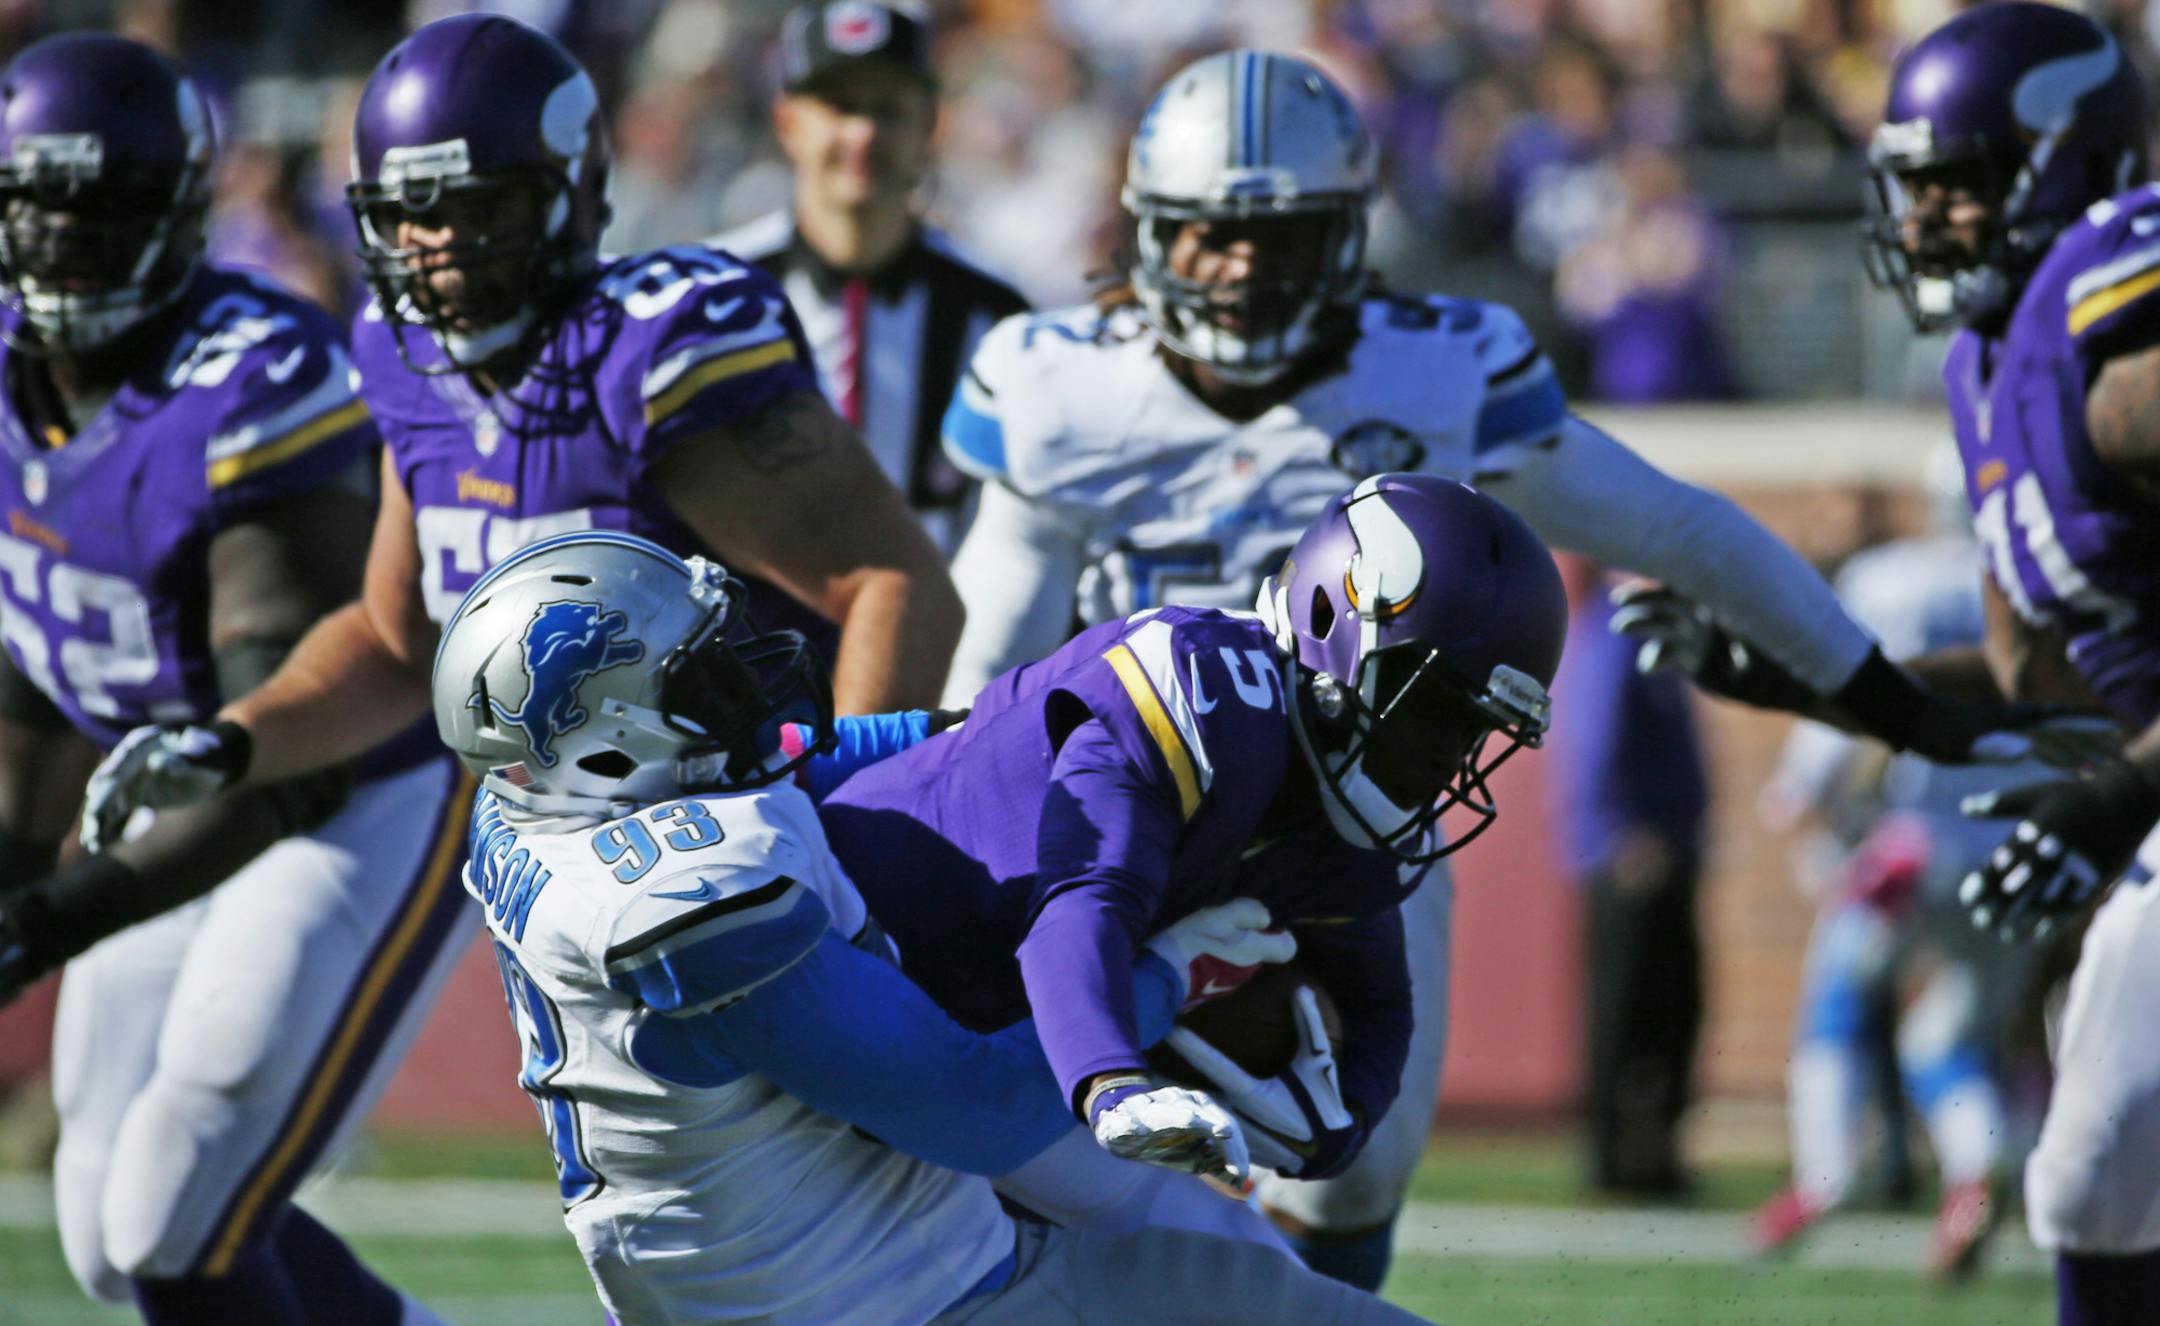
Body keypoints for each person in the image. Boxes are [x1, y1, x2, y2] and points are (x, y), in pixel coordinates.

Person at [934, 47, 2056, 1289]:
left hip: (1354, 815)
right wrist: (936, 833)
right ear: (1149, 233)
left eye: (1280, 234)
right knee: (1012, 1117)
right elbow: (986, 645)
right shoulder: (1062, 384)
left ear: (1348, 235)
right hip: (1138, 798)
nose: (1242, 268)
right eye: (1210, 234)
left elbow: (1678, 529)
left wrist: (1888, 699)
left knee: (1352, 1163)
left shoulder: (1434, 372)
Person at [430, 527, 1440, 1326]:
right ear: (610, 749)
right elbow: (977, 1110)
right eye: (703, 681)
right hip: (884, 1301)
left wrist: (1016, 728)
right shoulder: (692, 905)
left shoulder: (552, 793)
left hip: (881, 1252)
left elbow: (808, 756)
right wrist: (1171, 974)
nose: (746, 675)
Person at [75, 14, 965, 853]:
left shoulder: (648, 352)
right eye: (413, 213)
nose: (442, 244)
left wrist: (840, 827)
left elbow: (895, 584)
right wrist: (233, 741)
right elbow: (396, 644)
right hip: (553, 847)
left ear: (568, 194)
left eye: (482, 209)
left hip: (738, 825)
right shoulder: (405, 360)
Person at [1629, 7, 2160, 1319]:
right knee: (2092, 1179)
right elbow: (2037, 686)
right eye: (1911, 189)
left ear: (2063, 164)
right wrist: (1807, 674)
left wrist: (2124, 790)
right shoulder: (1993, 370)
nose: (1922, 223)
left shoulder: (2123, 346)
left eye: (1957, 187)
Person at [0, 33, 465, 1326]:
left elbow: (284, 755)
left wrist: (43, 921)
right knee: (111, 1236)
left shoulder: (250, 375)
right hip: (155, 798)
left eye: (106, 206)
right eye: (39, 202)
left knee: (176, 1214)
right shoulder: (14, 378)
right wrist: (15, 872)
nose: (66, 238)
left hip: (339, 800)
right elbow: (35, 666)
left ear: (183, 211)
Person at [822, 474, 1567, 1203]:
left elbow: (1381, 1003)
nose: (1446, 758)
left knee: (1237, 1269)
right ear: (1331, 621)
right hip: (852, 952)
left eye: (1472, 731)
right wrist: (1114, 1082)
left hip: (986, 1054)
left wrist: (1340, 1129)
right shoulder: (1202, 696)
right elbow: (1078, 910)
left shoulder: (1344, 824)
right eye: (1434, 711)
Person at [1747, 514, 2044, 1279]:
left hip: (1913, 851)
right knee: (1945, 1041)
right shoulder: (2042, 580)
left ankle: (1827, 1176)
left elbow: (1850, 702)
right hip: (2024, 855)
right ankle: (1975, 1170)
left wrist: (1802, 795)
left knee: (1836, 1010)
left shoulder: (1888, 579)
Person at [712, 1, 1028, 554]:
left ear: (931, 124)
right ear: (787, 122)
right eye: (840, 106)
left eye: (889, 109)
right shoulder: (711, 294)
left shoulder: (995, 315)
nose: (863, 132)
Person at [1546, 558, 1709, 1199]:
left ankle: (1651, 1155)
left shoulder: (1635, 630)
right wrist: (1620, 833)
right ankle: (1616, 1162)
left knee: (1673, 1008)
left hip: (1662, 851)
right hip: (1633, 858)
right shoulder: (1617, 629)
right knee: (1626, 1011)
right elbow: (1596, 736)